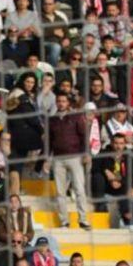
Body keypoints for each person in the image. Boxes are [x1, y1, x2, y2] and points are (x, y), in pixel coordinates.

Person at [48, 92, 92, 230]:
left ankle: (83, 220)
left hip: (75, 157)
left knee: (79, 189)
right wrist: (45, 158)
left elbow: (84, 136)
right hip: (58, 159)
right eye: (59, 100)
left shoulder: (76, 117)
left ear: (68, 103)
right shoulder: (52, 120)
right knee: (60, 192)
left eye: (63, 101)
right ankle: (64, 222)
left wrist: (86, 153)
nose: (61, 103)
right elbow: (49, 141)